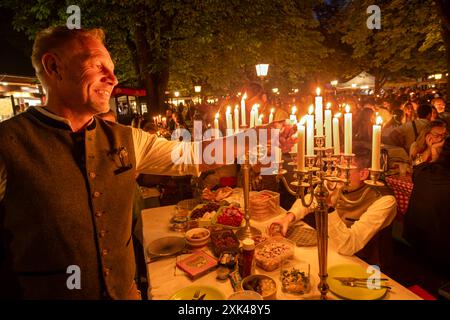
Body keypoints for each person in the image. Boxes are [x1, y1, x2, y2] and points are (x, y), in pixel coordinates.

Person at [0, 26, 293, 299]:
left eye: (112, 70)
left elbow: (191, 155)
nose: (112, 78)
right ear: (53, 67)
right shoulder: (9, 143)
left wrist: (260, 136)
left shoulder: (127, 138)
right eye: (97, 65)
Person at [269, 145, 397, 268]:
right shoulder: (338, 180)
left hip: (366, 266)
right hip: (333, 249)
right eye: (337, 167)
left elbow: (350, 245)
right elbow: (310, 199)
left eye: (343, 170)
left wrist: (329, 206)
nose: (336, 174)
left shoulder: (384, 200)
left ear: (363, 174)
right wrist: (289, 217)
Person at [404, 136, 450, 269]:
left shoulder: (423, 172)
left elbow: (417, 166)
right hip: (441, 249)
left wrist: (433, 150)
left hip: (414, 239)